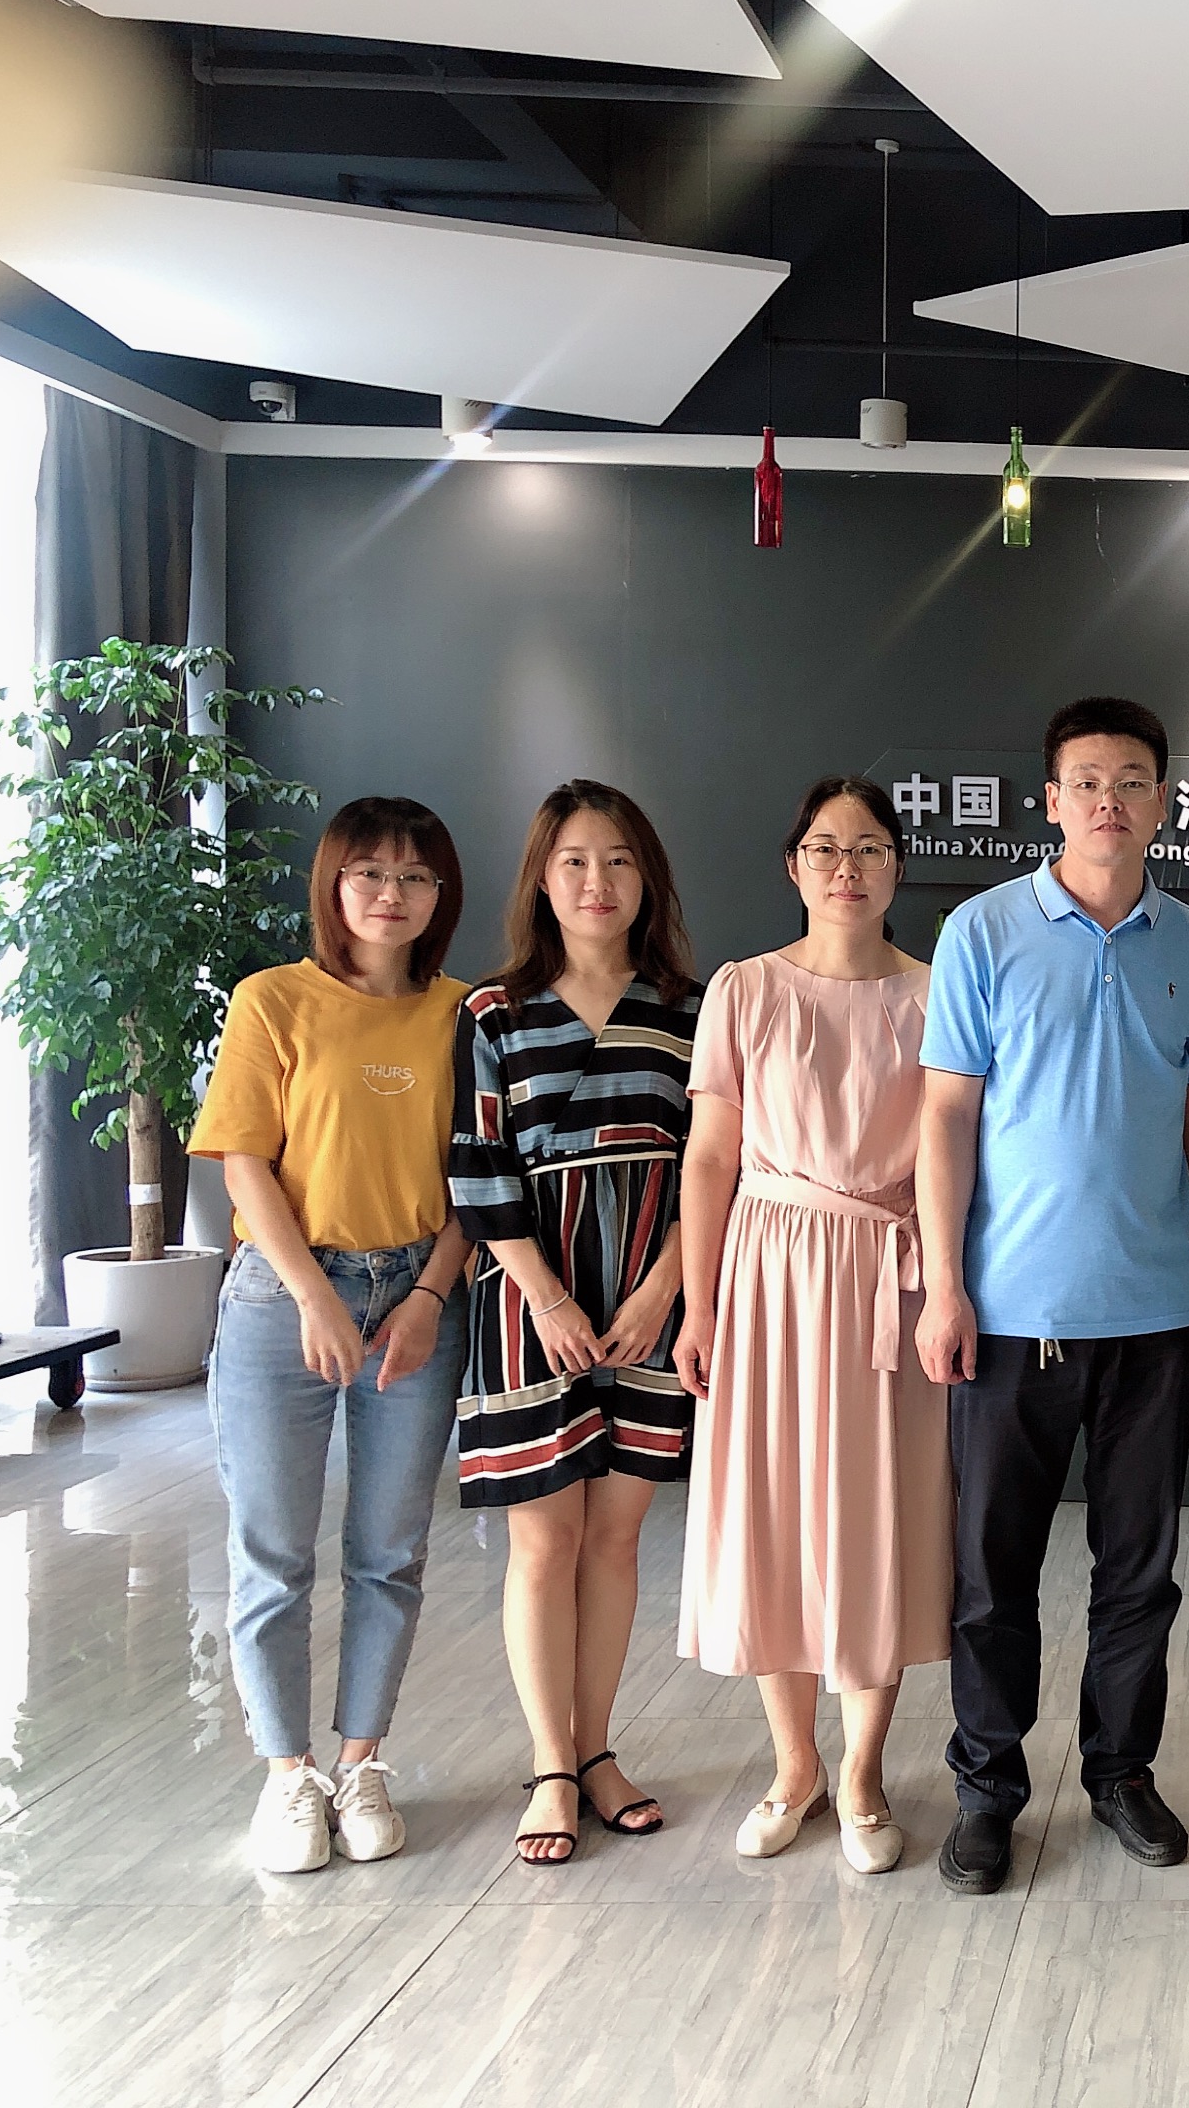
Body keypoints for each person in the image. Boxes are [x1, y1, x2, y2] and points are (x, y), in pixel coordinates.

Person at [917, 697, 1189, 1896]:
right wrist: (944, 1285)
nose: (1110, 799)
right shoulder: (982, 931)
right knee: (991, 1575)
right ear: (1050, 800)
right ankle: (988, 1790)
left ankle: (1120, 1772)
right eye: (1088, 780)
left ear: (1163, 802)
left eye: (1133, 779)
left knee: (1140, 1571)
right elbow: (946, 1116)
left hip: (1152, 1318)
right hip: (1010, 1315)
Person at [190, 797, 471, 1875]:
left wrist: (430, 1294)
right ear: (334, 884)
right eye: (369, 873)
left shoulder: (463, 1012)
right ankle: (286, 1774)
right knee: (271, 1553)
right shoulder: (274, 1000)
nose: (391, 894)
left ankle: (360, 1764)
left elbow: (480, 1174)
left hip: (418, 1296)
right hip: (282, 1294)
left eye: (415, 876)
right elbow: (244, 1161)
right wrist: (312, 1296)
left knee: (391, 1551)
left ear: (440, 895)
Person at [675, 776, 949, 1877]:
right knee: (776, 1515)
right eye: (827, 848)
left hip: (892, 1274)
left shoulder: (936, 989)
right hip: (770, 1273)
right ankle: (794, 1766)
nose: (848, 867)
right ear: (794, 866)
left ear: (897, 867)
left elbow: (955, 1151)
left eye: (871, 847)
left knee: (881, 1517)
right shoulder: (744, 988)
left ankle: (864, 1770)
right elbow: (709, 1155)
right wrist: (699, 1304)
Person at [451, 781, 702, 1867]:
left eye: (618, 861)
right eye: (574, 862)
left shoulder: (693, 1008)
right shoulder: (493, 1012)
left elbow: (714, 1166)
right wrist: (547, 1296)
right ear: (542, 882)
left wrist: (660, 1292)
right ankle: (551, 1765)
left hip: (651, 1298)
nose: (597, 882)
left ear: (648, 879)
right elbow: (477, 1164)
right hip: (528, 1302)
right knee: (544, 1542)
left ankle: (598, 1750)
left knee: (616, 1540)